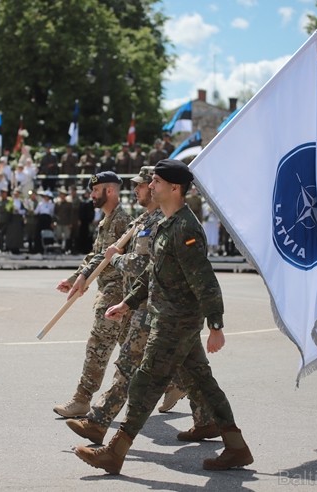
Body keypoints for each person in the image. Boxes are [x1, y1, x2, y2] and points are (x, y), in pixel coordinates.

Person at [74, 159, 253, 474]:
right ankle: (236, 447)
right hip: (167, 317)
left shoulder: (185, 228)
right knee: (202, 384)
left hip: (176, 322)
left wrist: (216, 326)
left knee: (143, 382)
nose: (150, 186)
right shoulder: (167, 224)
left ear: (175, 188)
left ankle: (114, 453)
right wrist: (128, 303)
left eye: (155, 181)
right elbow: (152, 274)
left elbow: (205, 280)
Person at [66, 165, 219, 446]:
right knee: (191, 369)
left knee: (127, 365)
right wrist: (87, 277)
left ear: (158, 187)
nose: (139, 189)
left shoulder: (169, 221)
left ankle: (98, 422)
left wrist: (116, 260)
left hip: (158, 307)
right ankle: (209, 421)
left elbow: (145, 266)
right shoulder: (143, 220)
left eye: (144, 184)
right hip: (147, 305)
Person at [53, 171, 131, 418]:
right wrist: (75, 278)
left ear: (110, 191)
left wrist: (83, 277)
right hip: (109, 289)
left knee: (99, 343)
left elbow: (108, 258)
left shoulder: (123, 221)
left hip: (118, 291)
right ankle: (175, 382)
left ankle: (82, 398)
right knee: (135, 348)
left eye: (95, 190)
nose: (91, 195)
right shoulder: (105, 221)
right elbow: (94, 255)